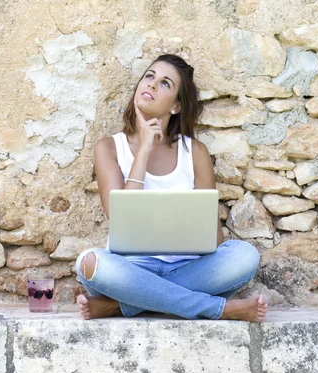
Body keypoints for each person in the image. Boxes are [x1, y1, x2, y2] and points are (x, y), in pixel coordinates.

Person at [75, 54, 268, 322]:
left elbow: (214, 239)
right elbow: (118, 218)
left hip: (187, 267)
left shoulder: (195, 152)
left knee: (244, 256)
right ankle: (217, 309)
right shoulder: (108, 147)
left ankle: (121, 306)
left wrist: (182, 228)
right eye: (150, 76)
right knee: (89, 262)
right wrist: (143, 149)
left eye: (165, 83)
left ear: (177, 106)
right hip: (129, 269)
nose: (152, 85)